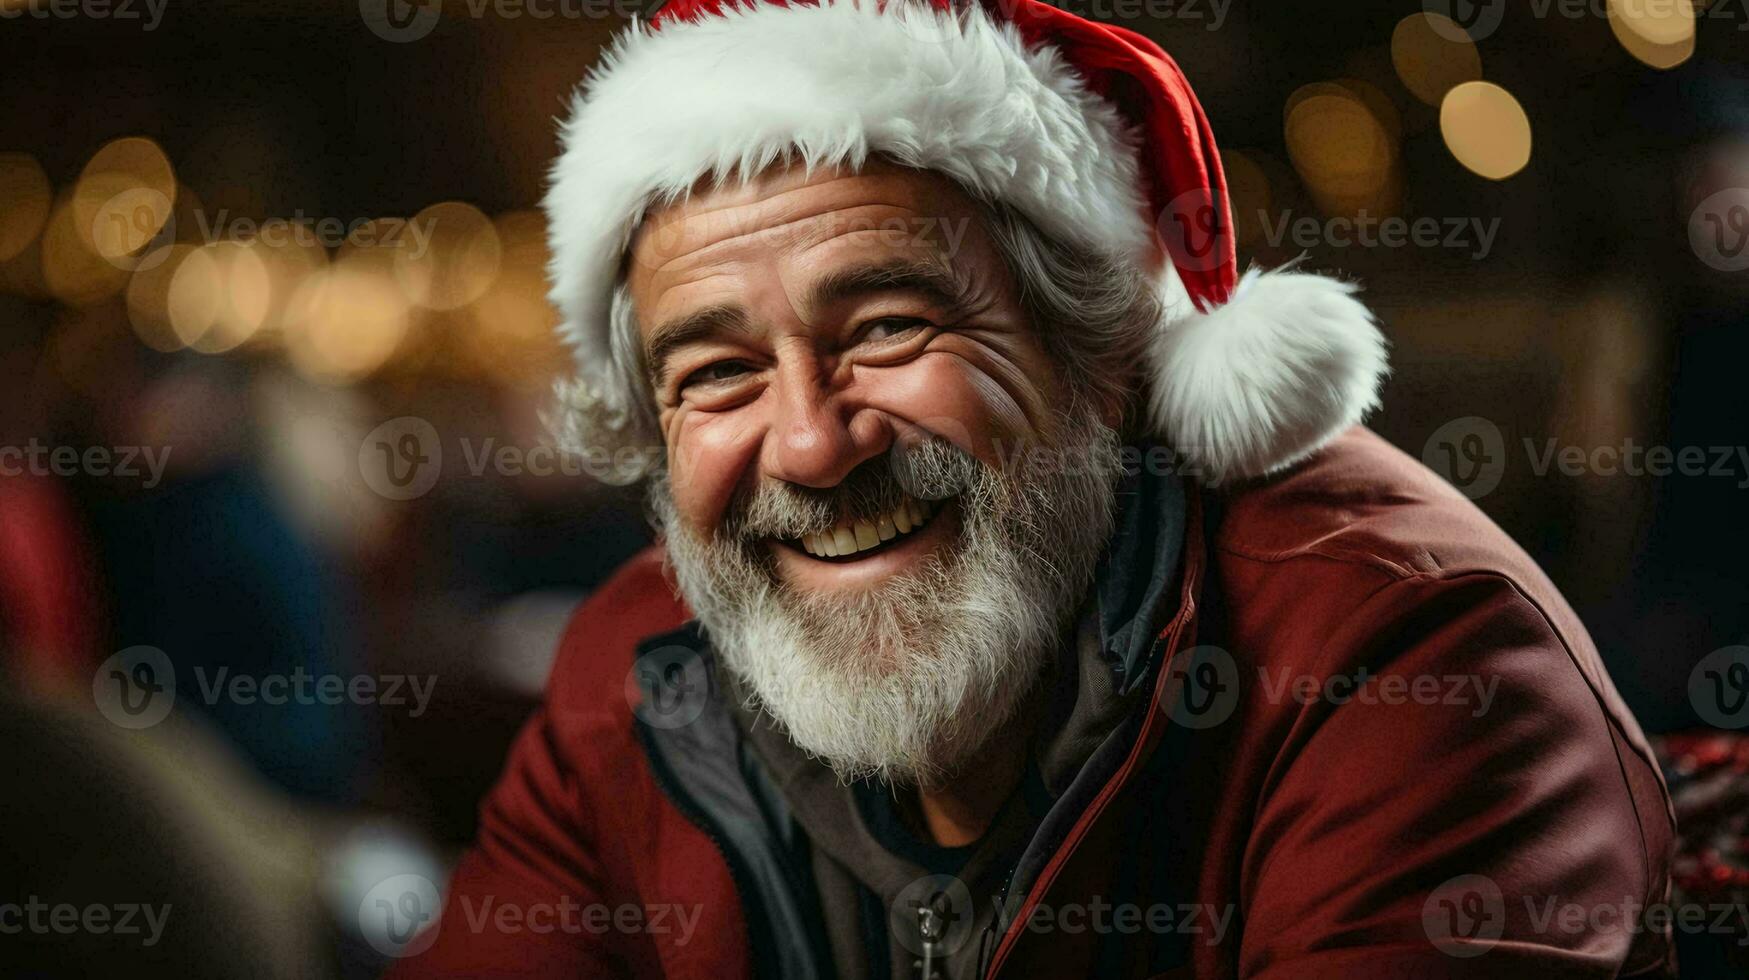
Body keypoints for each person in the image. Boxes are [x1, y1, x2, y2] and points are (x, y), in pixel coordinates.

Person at [391, 0, 1675, 976]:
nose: (810, 445)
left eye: (890, 327)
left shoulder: (1415, 660)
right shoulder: (633, 667)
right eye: (718, 373)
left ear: (1102, 347)